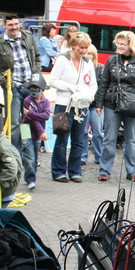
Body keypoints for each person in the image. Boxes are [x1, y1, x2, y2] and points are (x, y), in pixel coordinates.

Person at [95, 31, 135, 183]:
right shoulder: (112, 60)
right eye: (117, 43)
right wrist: (98, 103)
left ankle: (132, 171)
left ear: (130, 45)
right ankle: (104, 170)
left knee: (132, 139)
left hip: (132, 104)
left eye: (122, 44)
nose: (119, 46)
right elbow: (104, 83)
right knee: (109, 138)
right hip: (111, 103)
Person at [48, 32, 97, 183]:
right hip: (65, 105)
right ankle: (58, 171)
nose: (83, 51)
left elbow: (93, 83)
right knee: (62, 138)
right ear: (73, 46)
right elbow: (52, 81)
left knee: (79, 140)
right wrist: (71, 87)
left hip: (81, 105)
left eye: (86, 48)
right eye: (81, 48)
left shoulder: (87, 62)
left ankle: (75, 171)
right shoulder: (63, 60)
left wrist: (90, 95)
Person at [0, 15, 42, 153]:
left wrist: (36, 77)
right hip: (13, 89)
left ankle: (27, 151)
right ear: (4, 26)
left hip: (30, 87)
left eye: (16, 24)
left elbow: (37, 57)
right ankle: (15, 153)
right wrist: (6, 82)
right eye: (10, 25)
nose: (14, 27)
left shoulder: (28, 36)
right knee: (14, 123)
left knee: (28, 121)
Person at [21, 73, 51, 190]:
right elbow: (34, 119)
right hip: (26, 128)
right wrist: (41, 132)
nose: (34, 91)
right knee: (29, 156)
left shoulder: (46, 102)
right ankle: (30, 179)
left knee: (35, 156)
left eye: (36, 89)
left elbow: (46, 115)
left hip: (38, 132)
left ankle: (30, 175)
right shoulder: (27, 100)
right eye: (32, 89)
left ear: (42, 89)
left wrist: (30, 113)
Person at [81, 44, 105, 165]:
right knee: (83, 132)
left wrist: (100, 104)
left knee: (98, 132)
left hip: (96, 105)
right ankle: (83, 156)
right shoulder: (80, 67)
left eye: (90, 53)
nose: (88, 56)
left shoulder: (101, 68)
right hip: (84, 104)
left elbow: (102, 88)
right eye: (86, 53)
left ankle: (99, 156)